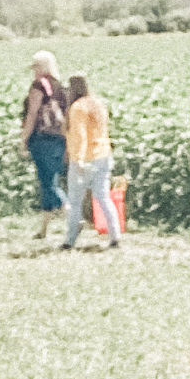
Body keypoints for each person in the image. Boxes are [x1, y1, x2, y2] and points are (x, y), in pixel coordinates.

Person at [63, 70, 119, 251]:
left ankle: (70, 239)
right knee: (103, 197)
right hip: (103, 154)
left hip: (85, 158)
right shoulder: (98, 104)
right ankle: (115, 235)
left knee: (75, 200)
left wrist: (78, 159)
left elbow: (80, 135)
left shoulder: (78, 108)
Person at [18, 48, 69, 240]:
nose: (34, 70)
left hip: (42, 139)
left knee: (48, 183)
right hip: (59, 139)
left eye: (36, 66)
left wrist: (24, 138)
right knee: (50, 180)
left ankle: (71, 215)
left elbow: (32, 114)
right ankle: (44, 229)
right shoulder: (60, 87)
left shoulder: (39, 86)